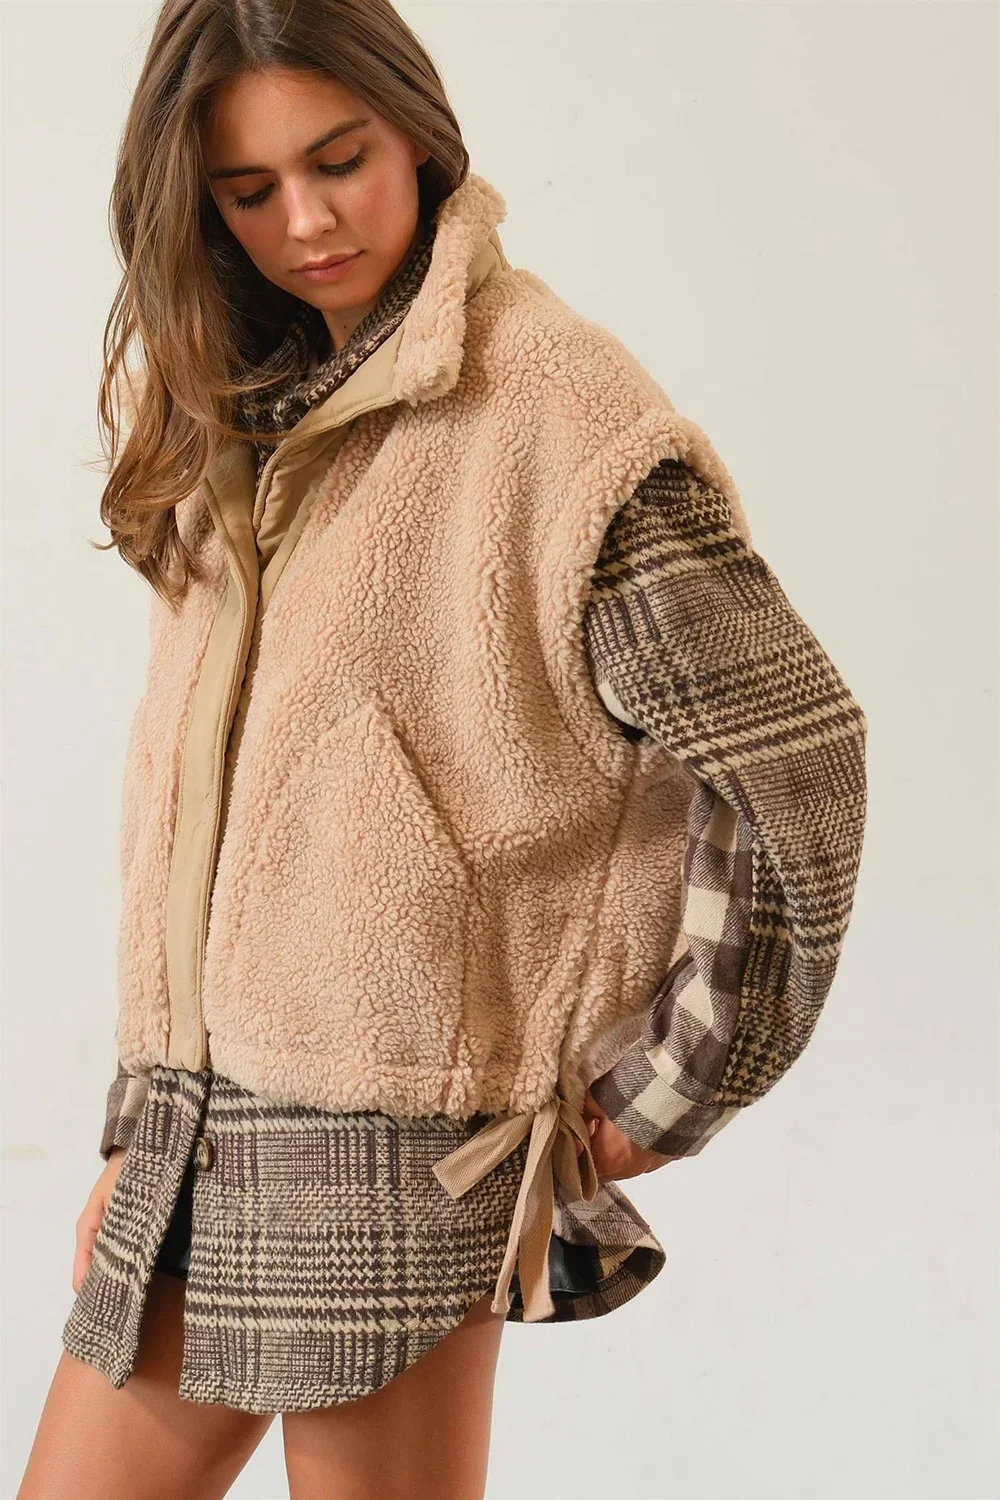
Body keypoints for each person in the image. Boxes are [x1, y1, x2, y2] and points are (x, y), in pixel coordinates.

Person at [17, 1, 868, 1496]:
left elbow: (796, 761)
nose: (305, 221)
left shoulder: (556, 409)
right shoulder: (239, 412)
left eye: (338, 159)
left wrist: (670, 1085)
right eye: (247, 190)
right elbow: (204, 813)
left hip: (404, 1145)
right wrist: (147, 1125)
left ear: (415, 128)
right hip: (203, 1139)